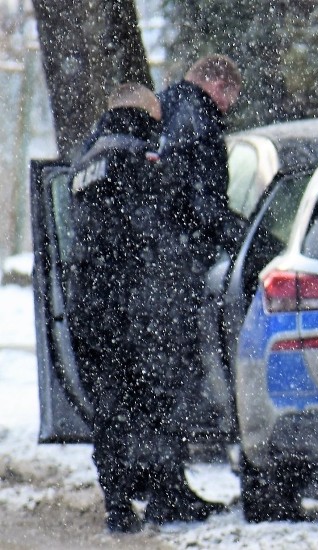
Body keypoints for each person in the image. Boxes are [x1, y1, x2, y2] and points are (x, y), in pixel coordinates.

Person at [133, 54, 244, 524]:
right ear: (217, 84)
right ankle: (167, 492)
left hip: (150, 265)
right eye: (231, 96)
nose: (230, 106)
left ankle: (159, 483)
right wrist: (244, 240)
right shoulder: (197, 117)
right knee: (175, 379)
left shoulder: (162, 110)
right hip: (174, 267)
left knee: (157, 380)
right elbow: (199, 199)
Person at [66, 82, 163, 533]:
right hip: (130, 301)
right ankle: (161, 494)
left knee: (109, 407)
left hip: (88, 299)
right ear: (144, 111)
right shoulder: (139, 153)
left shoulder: (86, 159)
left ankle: (119, 504)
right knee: (148, 400)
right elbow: (153, 231)